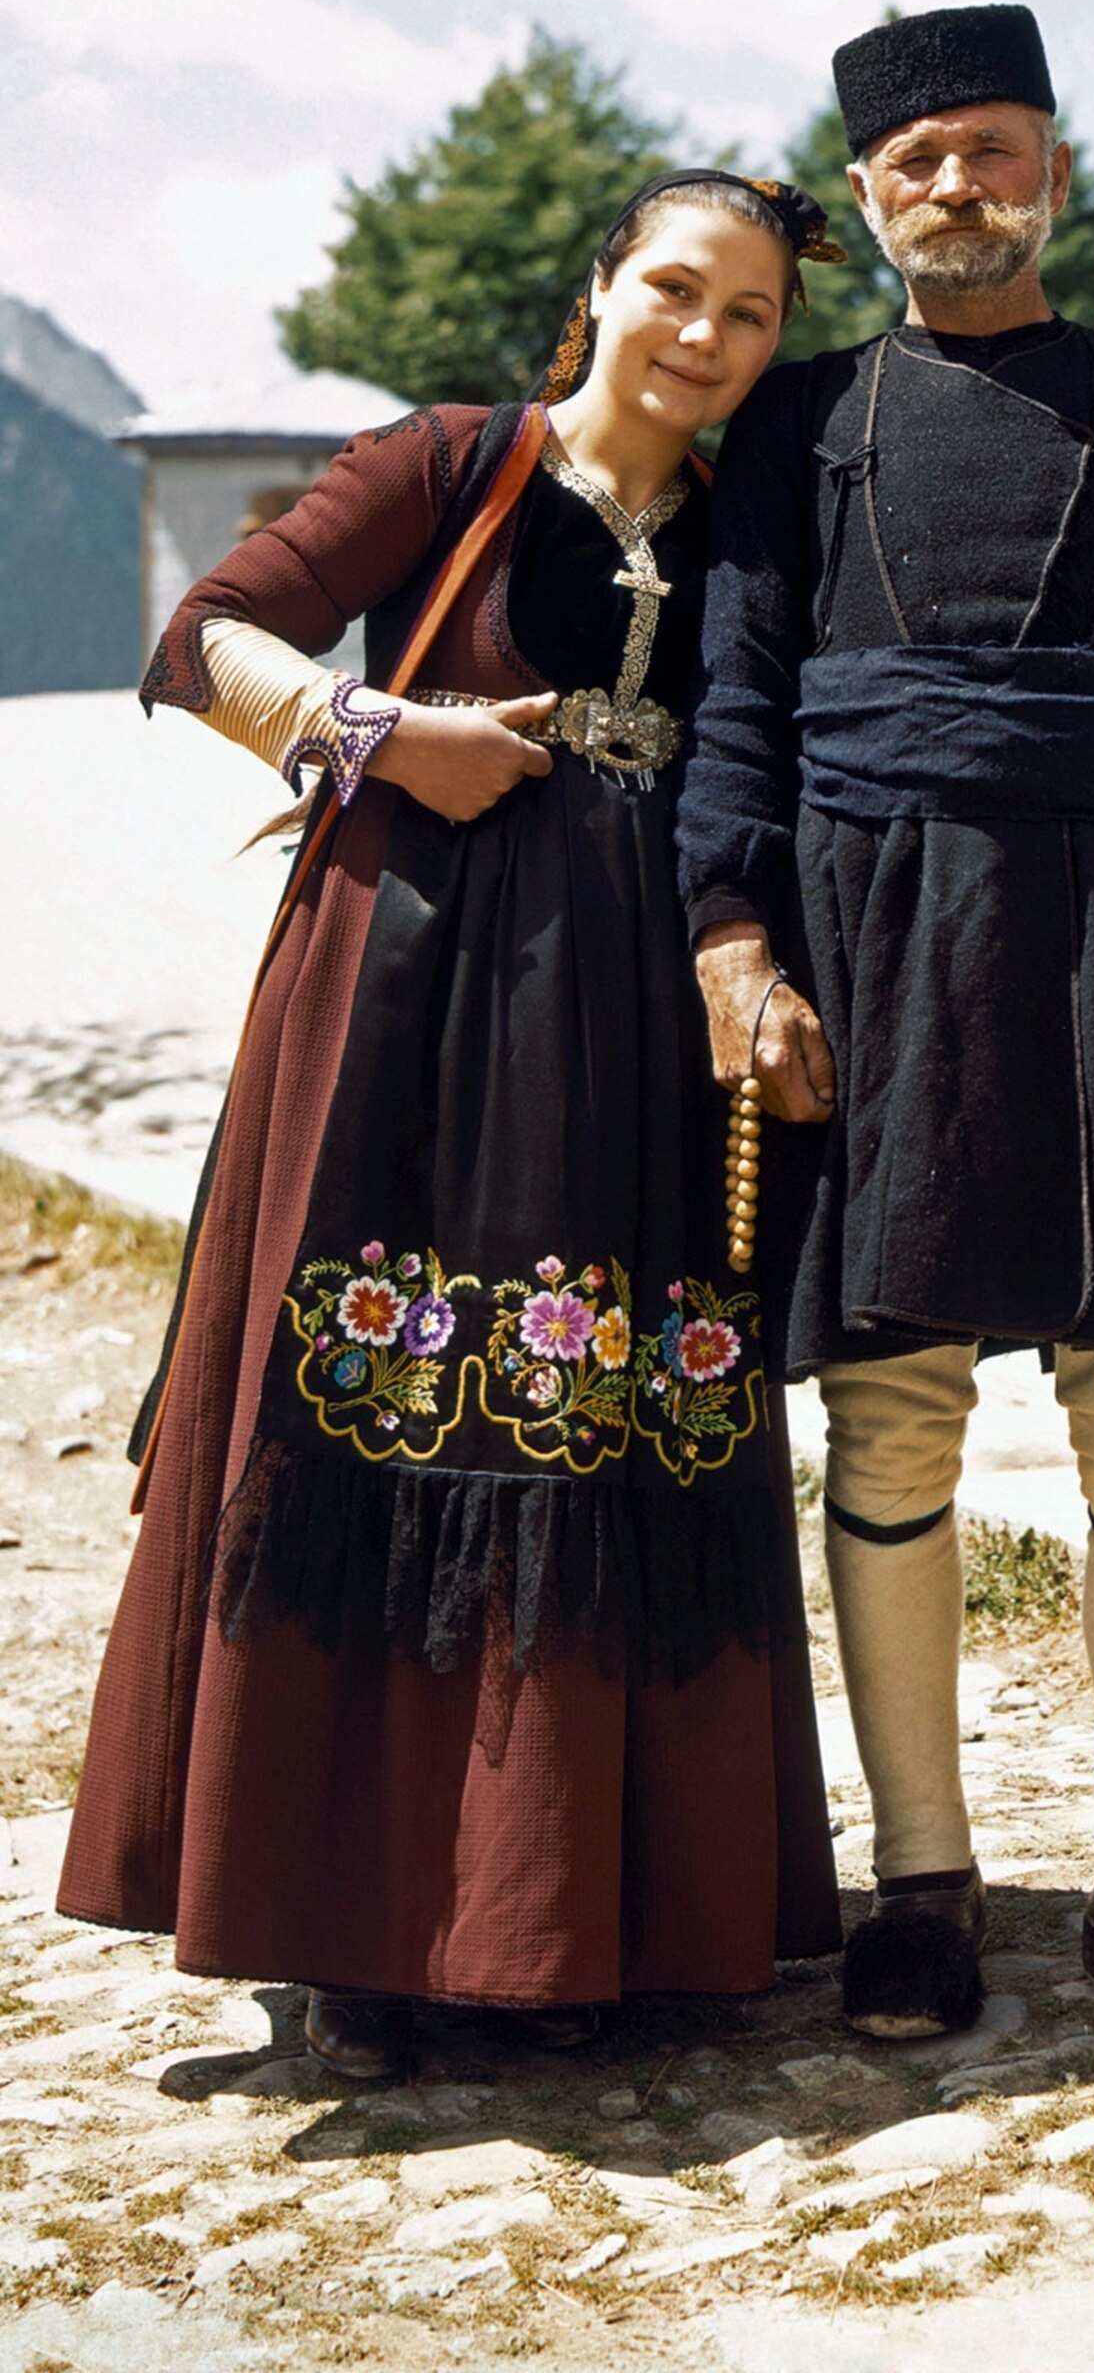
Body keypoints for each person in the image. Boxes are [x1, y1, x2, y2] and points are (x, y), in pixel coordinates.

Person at [58, 171, 844, 2079]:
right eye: (677, 290)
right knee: (379, 1412)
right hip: (412, 985)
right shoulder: (449, 460)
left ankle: (587, 1910)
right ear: (603, 284)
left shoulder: (753, 525)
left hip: (648, 1003)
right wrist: (381, 735)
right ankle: (354, 1922)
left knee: (613, 1413)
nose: (707, 339)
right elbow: (208, 635)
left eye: (749, 318)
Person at [677, 4, 1094, 2081]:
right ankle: (921, 1890)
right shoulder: (800, 421)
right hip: (872, 931)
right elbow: (739, 706)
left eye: (995, 149)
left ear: (1051, 163)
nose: (960, 186)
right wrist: (733, 936)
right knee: (891, 1414)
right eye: (920, 159)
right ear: (867, 194)